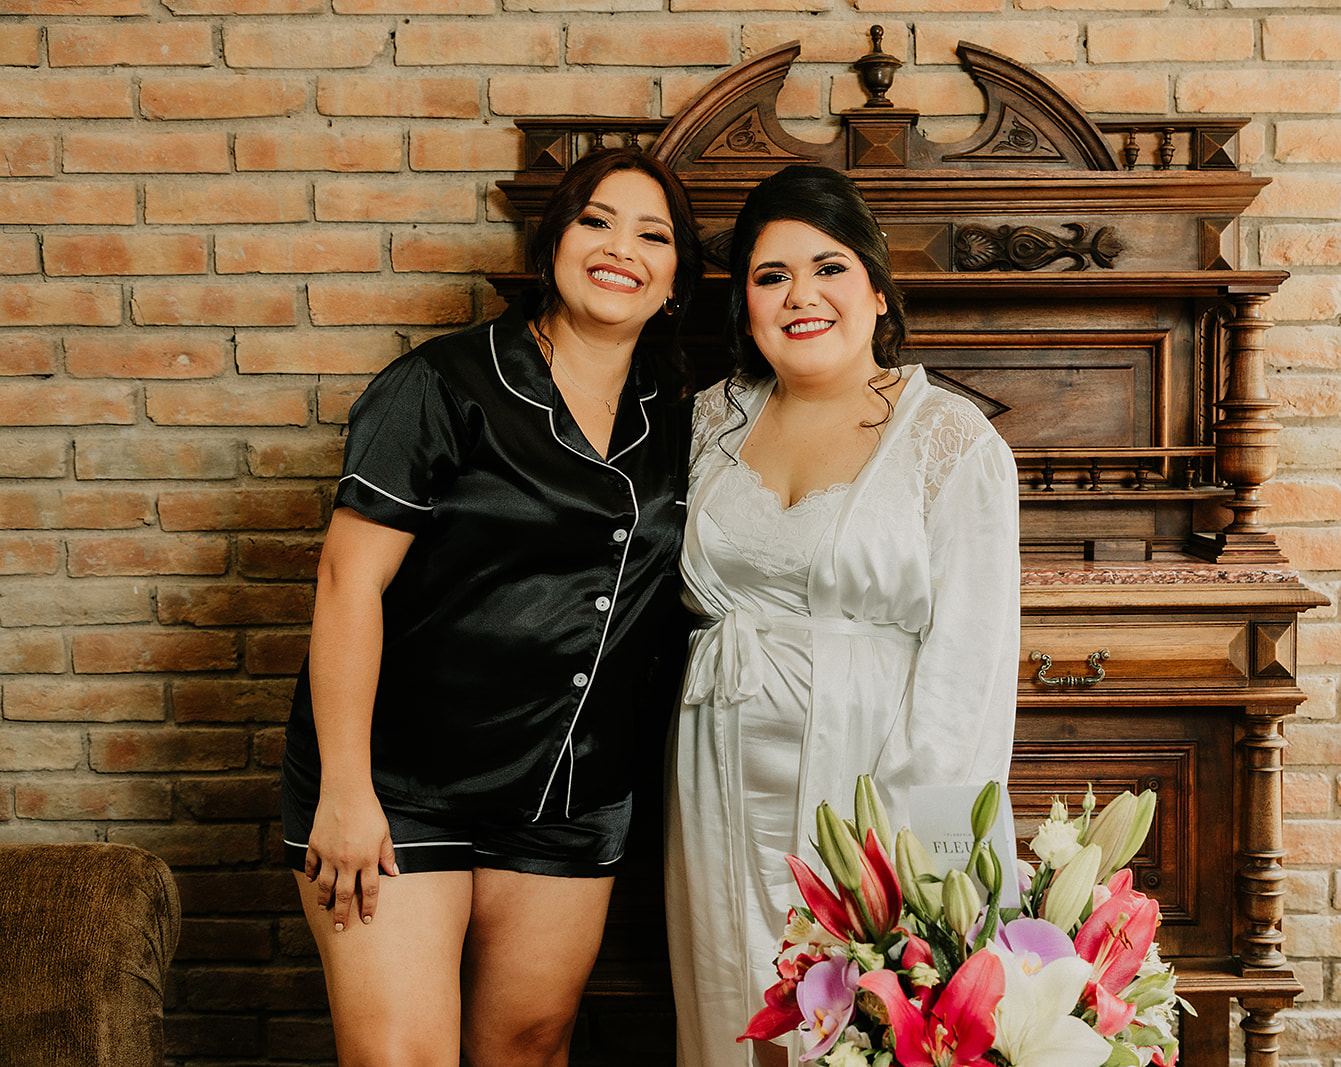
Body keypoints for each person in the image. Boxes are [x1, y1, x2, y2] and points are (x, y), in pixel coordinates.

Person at [279, 146, 703, 1066]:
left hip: (567, 791)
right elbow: (348, 581)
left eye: (653, 234)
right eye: (596, 221)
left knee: (530, 1045)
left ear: (676, 280)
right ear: (553, 243)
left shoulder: (682, 420)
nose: (620, 248)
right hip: (398, 782)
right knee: (402, 1056)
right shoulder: (440, 383)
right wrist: (345, 790)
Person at [665, 164, 1021, 1067]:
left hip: (870, 776)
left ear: (876, 288)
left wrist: (916, 849)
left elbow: (971, 669)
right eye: (771, 275)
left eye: (829, 267)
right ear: (745, 303)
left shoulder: (949, 437)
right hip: (715, 769)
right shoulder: (707, 422)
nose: (801, 295)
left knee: (867, 1022)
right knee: (732, 1007)